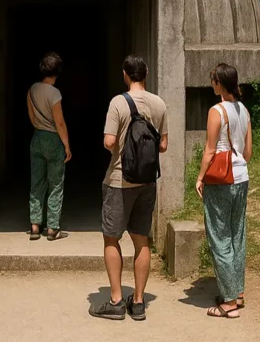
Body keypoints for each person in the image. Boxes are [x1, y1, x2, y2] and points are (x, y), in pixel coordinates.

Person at [89, 56, 167, 322]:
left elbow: (109, 140)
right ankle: (138, 302)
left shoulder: (118, 102)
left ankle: (115, 300)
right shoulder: (159, 103)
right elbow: (164, 146)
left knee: (111, 238)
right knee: (140, 239)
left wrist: (119, 149)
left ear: (125, 75)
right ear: (146, 74)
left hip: (120, 180)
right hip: (147, 181)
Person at [196, 63, 253, 319]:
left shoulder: (216, 111)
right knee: (237, 234)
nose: (211, 83)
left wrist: (199, 177)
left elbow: (210, 149)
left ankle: (228, 302)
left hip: (220, 179)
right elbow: (248, 152)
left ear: (219, 83)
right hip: (241, 177)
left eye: (212, 79)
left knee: (219, 237)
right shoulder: (244, 110)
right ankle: (237, 292)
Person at [26, 52, 71, 241]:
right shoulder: (55, 93)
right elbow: (59, 122)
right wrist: (67, 146)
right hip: (53, 139)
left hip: (37, 137)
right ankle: (52, 227)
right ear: (57, 72)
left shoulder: (32, 90)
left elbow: (31, 116)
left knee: (37, 182)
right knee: (56, 184)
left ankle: (35, 225)